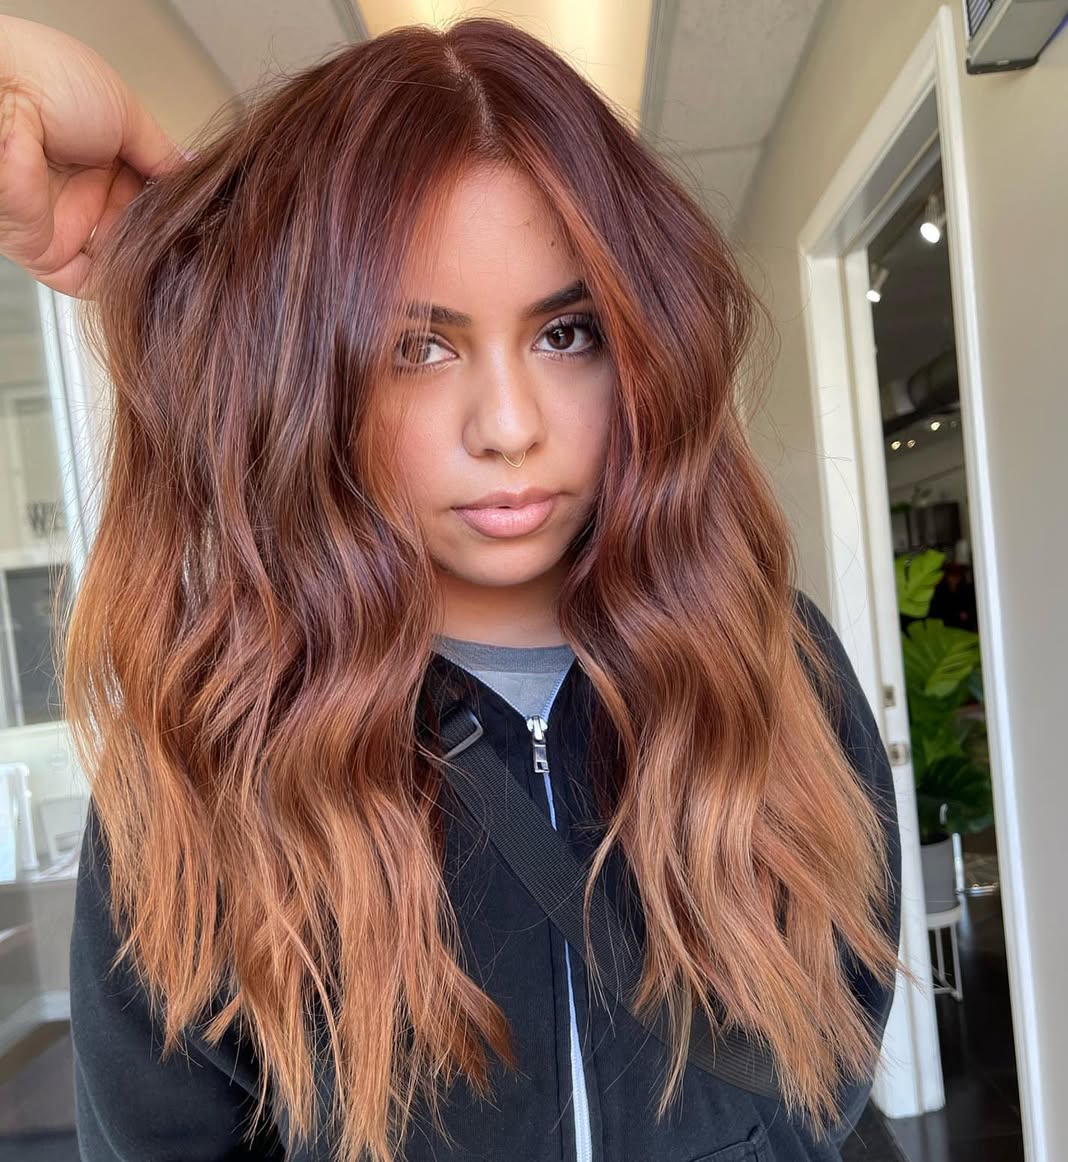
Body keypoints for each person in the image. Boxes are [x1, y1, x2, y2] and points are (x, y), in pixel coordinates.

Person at [0, 14, 902, 1162]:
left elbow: (830, 1044)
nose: (511, 426)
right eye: (418, 347)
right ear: (308, 376)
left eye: (567, 331)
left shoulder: (768, 662)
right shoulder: (214, 742)